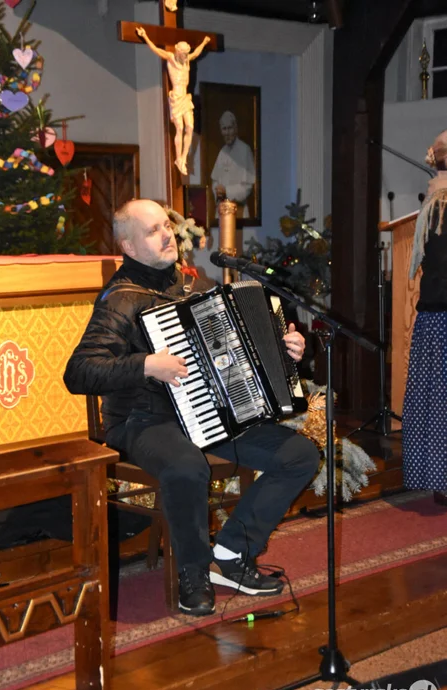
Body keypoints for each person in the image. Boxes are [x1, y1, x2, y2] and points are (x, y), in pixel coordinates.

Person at [63, 199, 320, 616]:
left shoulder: (196, 289)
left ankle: (234, 553)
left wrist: (286, 351)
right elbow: (79, 373)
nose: (167, 234)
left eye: (167, 225)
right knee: (187, 466)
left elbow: (239, 357)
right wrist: (147, 364)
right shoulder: (119, 301)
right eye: (152, 231)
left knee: (299, 455)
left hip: (210, 413)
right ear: (128, 247)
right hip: (143, 421)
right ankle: (194, 571)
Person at [403, 129, 447, 507]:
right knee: (437, 398)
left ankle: (439, 478)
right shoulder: (439, 201)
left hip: (438, 312)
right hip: (438, 311)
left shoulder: (438, 199)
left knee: (436, 398)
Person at [136, 27, 210, 175]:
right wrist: (145, 36)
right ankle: (178, 158)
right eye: (183, 54)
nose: (185, 56)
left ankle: (183, 158)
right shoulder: (170, 58)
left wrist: (204, 42)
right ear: (178, 51)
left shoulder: (187, 60)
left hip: (185, 97)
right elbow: (157, 50)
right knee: (180, 128)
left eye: (186, 54)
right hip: (176, 97)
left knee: (190, 127)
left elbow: (196, 53)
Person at [211, 111, 256, 219]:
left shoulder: (245, 150)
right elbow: (214, 181)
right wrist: (217, 190)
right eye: (224, 129)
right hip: (222, 211)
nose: (227, 132)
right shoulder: (222, 152)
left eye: (229, 128)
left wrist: (227, 191)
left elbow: (248, 186)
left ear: (235, 129)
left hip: (239, 212)